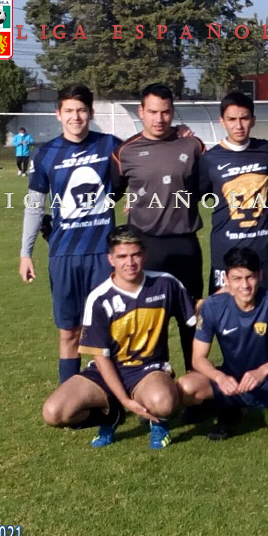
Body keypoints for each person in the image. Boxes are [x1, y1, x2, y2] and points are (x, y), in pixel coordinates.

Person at [41, 226, 199, 449]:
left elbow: (194, 318)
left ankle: (158, 422)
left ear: (144, 254)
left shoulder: (165, 283)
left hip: (147, 370)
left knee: (163, 403)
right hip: (105, 371)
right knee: (54, 413)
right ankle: (111, 415)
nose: (130, 262)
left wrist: (225, 298)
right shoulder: (99, 298)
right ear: (111, 259)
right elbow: (101, 357)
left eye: (135, 254)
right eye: (122, 256)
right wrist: (124, 401)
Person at [19, 84, 121, 384]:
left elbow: (144, 158)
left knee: (109, 329)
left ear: (91, 113)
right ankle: (70, 394)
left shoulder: (111, 146)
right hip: (64, 255)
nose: (75, 117)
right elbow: (34, 206)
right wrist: (26, 253)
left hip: (103, 254)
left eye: (81, 110)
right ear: (58, 114)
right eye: (69, 111)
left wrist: (180, 133)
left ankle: (113, 394)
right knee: (69, 332)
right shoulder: (45, 154)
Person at [181, 247, 268, 450]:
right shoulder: (212, 306)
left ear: (260, 275)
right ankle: (229, 411)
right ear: (226, 280)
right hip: (233, 381)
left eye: (250, 277)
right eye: (237, 278)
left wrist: (263, 371)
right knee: (186, 386)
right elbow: (198, 358)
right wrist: (220, 377)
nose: (244, 285)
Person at [111, 83, 205, 373]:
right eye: (152, 112)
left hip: (185, 244)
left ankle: (194, 384)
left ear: (173, 112)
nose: (159, 119)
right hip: (146, 247)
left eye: (165, 112)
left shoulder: (193, 145)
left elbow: (208, 188)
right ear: (141, 111)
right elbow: (108, 196)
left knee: (192, 318)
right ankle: (152, 379)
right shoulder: (124, 152)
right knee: (150, 320)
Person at [199, 92, 268, 294]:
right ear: (222, 121)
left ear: (253, 120)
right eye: (231, 119)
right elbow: (197, 194)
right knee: (223, 309)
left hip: (262, 251)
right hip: (225, 251)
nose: (238, 125)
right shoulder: (209, 159)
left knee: (267, 308)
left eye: (244, 118)